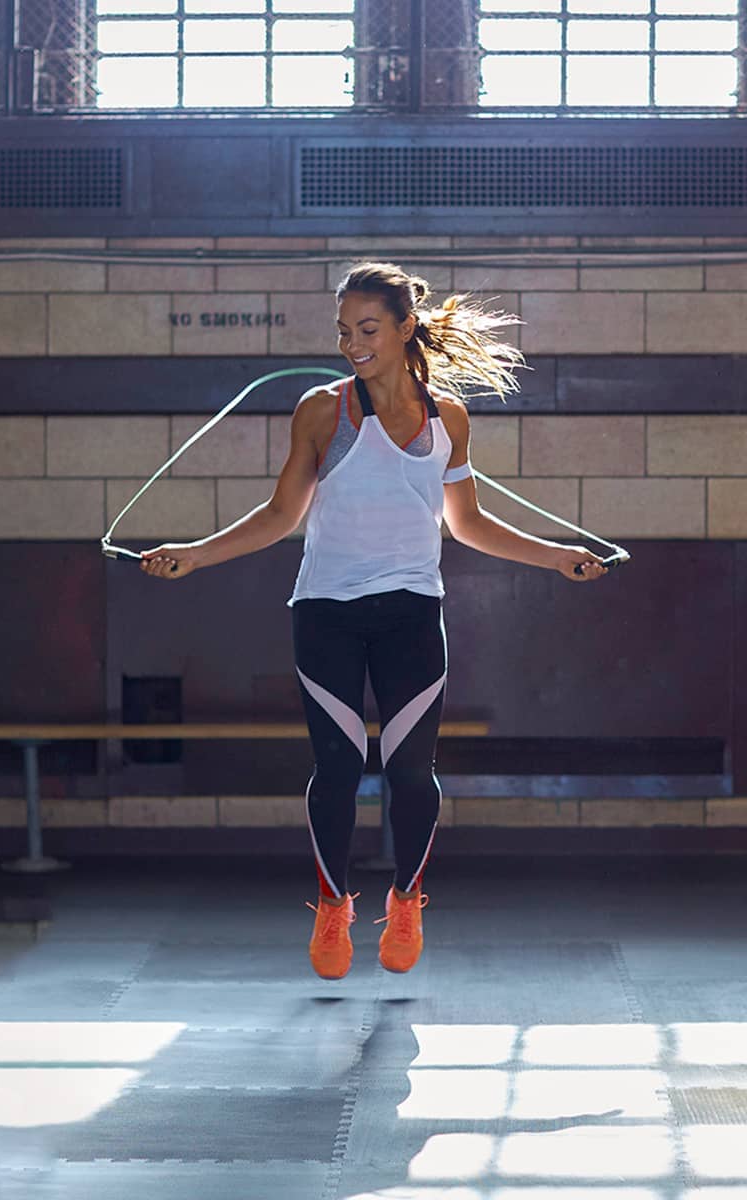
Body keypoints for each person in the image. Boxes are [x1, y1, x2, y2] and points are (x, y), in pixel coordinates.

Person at [140, 261, 608, 981]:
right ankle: (333, 908)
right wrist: (193, 556)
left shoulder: (448, 417)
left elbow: (470, 524)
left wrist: (557, 558)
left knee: (410, 770)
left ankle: (408, 898)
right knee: (336, 766)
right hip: (325, 612)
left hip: (412, 614)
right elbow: (280, 516)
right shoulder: (321, 410)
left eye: (367, 329)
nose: (352, 343)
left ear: (404, 327)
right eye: (343, 331)